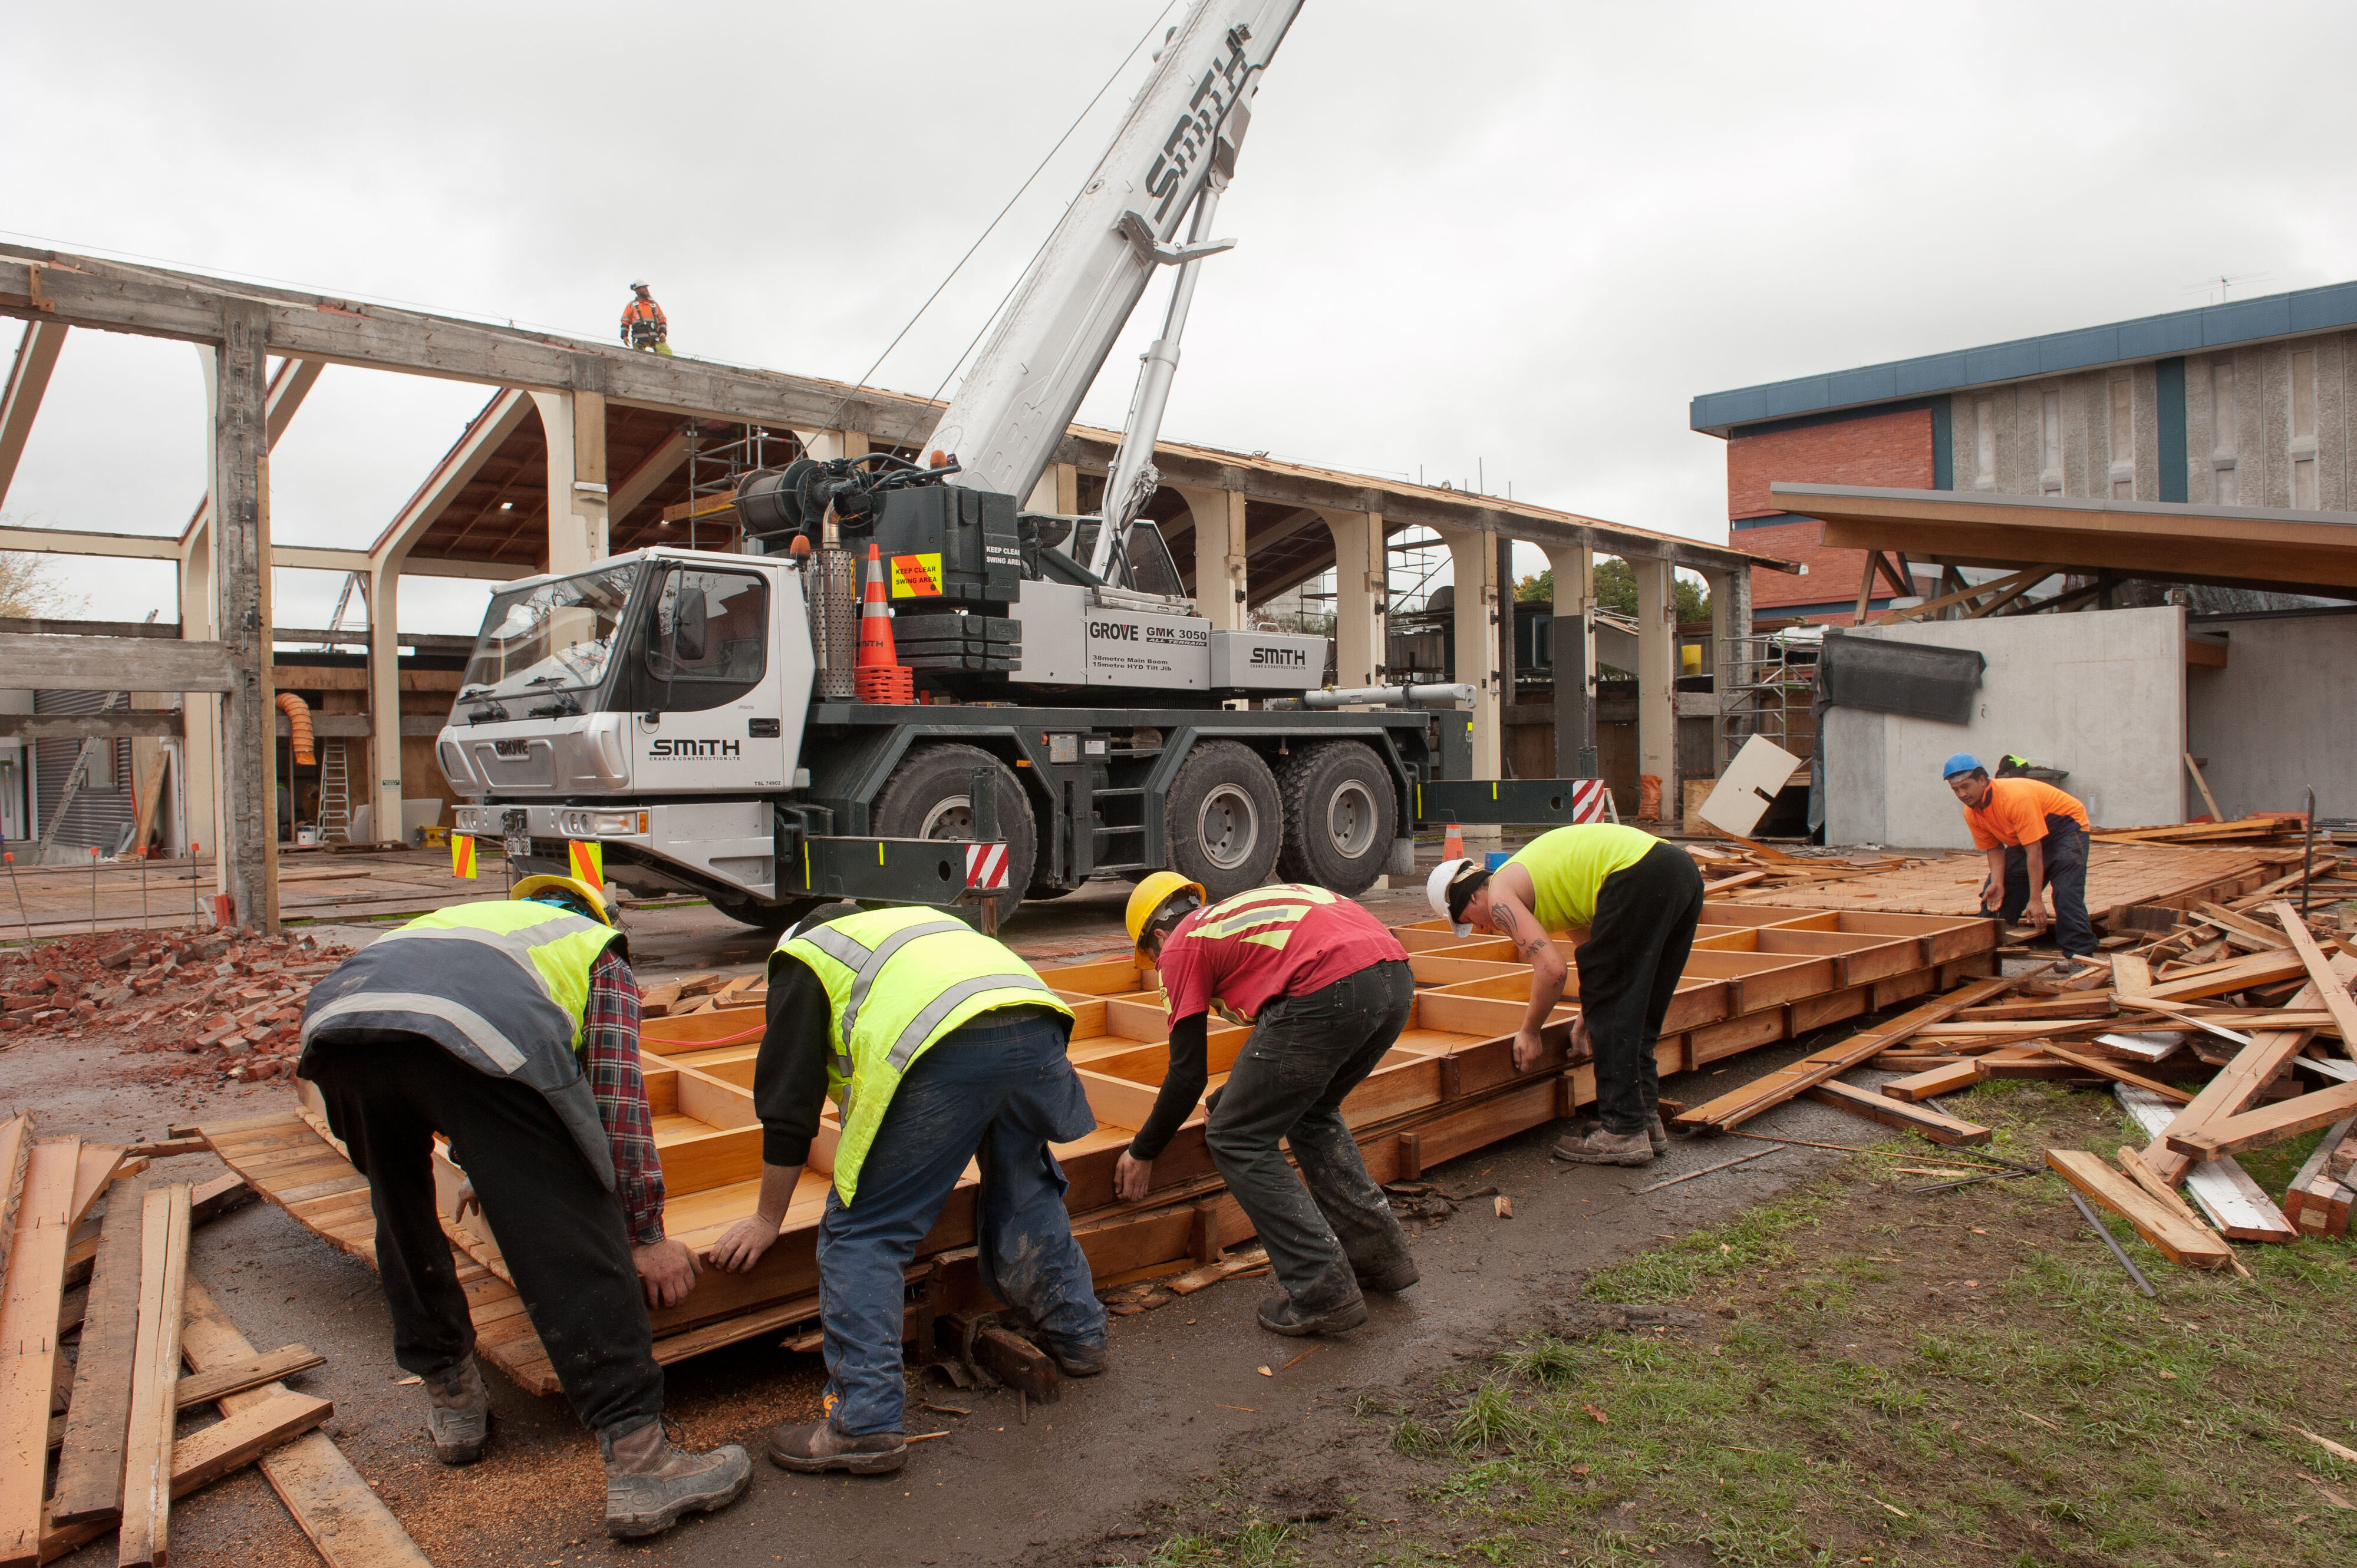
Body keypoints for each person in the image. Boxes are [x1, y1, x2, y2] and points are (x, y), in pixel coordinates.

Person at [298, 876, 751, 1540]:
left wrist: (497, 1163)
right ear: (600, 918)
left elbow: (436, 1055)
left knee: (402, 1214)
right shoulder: (597, 951)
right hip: (458, 1035)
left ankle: (453, 1402)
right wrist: (644, 1232)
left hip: (337, 1032)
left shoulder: (466, 926)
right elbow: (617, 1108)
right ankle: (642, 1464)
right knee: (572, 1236)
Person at [708, 902, 1105, 1475]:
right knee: (1024, 1190)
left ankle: (865, 1422)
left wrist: (768, 1219)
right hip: (1037, 1024)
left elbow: (788, 1108)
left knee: (864, 1232)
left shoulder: (803, 958)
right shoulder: (903, 932)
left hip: (950, 1042)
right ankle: (1079, 1334)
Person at [1113, 875, 1419, 1338]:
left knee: (1236, 1137)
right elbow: (1276, 1043)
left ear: (1158, 936)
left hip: (1331, 986)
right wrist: (1226, 1100)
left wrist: (1144, 1149)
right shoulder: (1237, 919)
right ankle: (1382, 1259)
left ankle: (1323, 1290)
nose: (1159, 969)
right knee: (1312, 1111)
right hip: (1393, 976)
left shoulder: (1181, 945)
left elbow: (1186, 1074)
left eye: (1152, 961)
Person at [1430, 823, 1703, 1168]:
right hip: (1677, 870)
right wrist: (1588, 1016)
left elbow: (1552, 970)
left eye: (1469, 920)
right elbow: (1603, 966)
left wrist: (1530, 1032)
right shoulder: (1549, 886)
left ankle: (1622, 1131)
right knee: (1641, 1007)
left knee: (1619, 1009)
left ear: (1470, 897)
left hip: (1639, 874)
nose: (1481, 929)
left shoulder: (1502, 897)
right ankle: (1642, 1120)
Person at [1941, 752, 2095, 958]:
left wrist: (2035, 900)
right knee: (1996, 894)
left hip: (2065, 828)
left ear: (1982, 780)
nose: (1962, 795)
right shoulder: (1972, 812)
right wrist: (1997, 883)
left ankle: (2081, 958)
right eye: (1956, 790)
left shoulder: (2015, 798)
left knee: (2066, 894)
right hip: (2030, 838)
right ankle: (1985, 954)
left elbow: (2035, 851)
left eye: (1966, 787)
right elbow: (1995, 849)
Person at [620, 280, 671, 355]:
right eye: (643, 288)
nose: (646, 289)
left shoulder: (653, 304)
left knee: (668, 355)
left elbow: (662, 320)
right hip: (639, 338)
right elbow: (625, 322)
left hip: (655, 337)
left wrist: (663, 333)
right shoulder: (632, 305)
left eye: (646, 288)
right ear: (637, 290)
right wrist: (625, 337)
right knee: (639, 358)